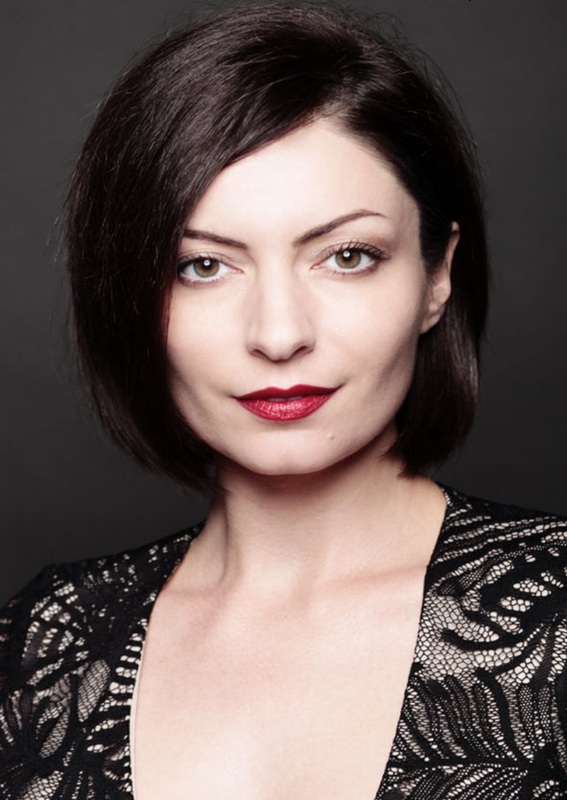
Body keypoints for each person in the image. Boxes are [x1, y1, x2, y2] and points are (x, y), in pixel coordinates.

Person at [1, 3, 566, 798]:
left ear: (436, 275)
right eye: (202, 266)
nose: (277, 334)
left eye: (346, 255)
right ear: (126, 297)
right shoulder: (42, 645)